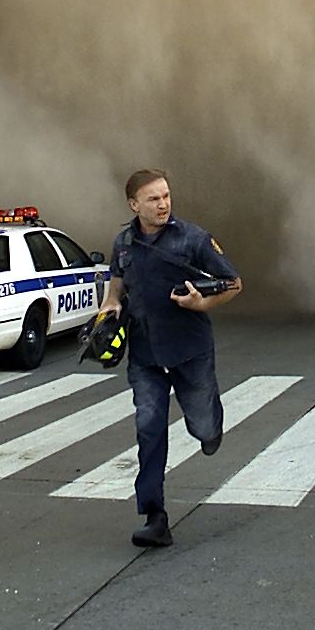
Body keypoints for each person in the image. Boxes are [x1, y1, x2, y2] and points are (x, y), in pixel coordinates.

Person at [96, 168, 242, 549]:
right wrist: (109, 310)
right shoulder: (123, 243)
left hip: (189, 350)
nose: (163, 204)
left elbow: (234, 283)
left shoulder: (193, 238)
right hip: (145, 355)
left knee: (203, 425)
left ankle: (211, 429)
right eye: (153, 199)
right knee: (148, 428)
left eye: (166, 196)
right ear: (134, 204)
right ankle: (154, 515)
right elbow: (116, 288)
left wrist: (202, 302)